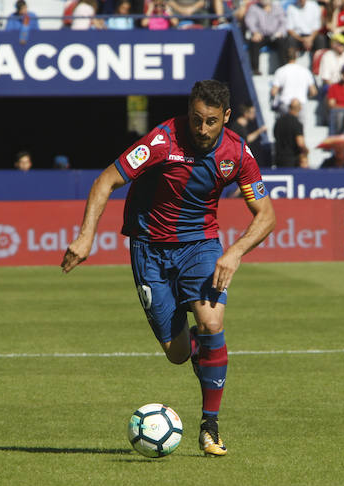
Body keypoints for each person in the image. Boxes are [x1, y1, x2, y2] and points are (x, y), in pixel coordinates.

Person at [60, 80, 276, 457]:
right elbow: (105, 180)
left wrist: (235, 252)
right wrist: (85, 237)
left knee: (211, 324)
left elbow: (266, 215)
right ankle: (200, 353)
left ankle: (210, 426)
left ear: (225, 117)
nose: (202, 129)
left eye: (211, 121)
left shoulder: (238, 153)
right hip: (149, 250)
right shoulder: (161, 141)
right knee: (177, 354)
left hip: (201, 247)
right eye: (196, 120)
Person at [244, 0, 288, 74]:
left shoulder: (277, 8)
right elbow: (249, 21)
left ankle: (283, 69)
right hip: (261, 35)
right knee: (254, 42)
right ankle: (255, 70)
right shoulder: (253, 8)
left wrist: (280, 32)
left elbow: (284, 22)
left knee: (283, 42)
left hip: (275, 35)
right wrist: (255, 32)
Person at [270, 46, 318, 112]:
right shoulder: (305, 71)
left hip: (286, 105)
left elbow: (273, 92)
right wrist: (305, 96)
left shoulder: (280, 71)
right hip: (301, 105)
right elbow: (313, 91)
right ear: (296, 56)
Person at [274, 97, 308, 166]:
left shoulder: (279, 121)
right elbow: (300, 143)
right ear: (300, 108)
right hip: (292, 160)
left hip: (279, 159)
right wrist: (306, 150)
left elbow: (275, 135)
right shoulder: (297, 123)